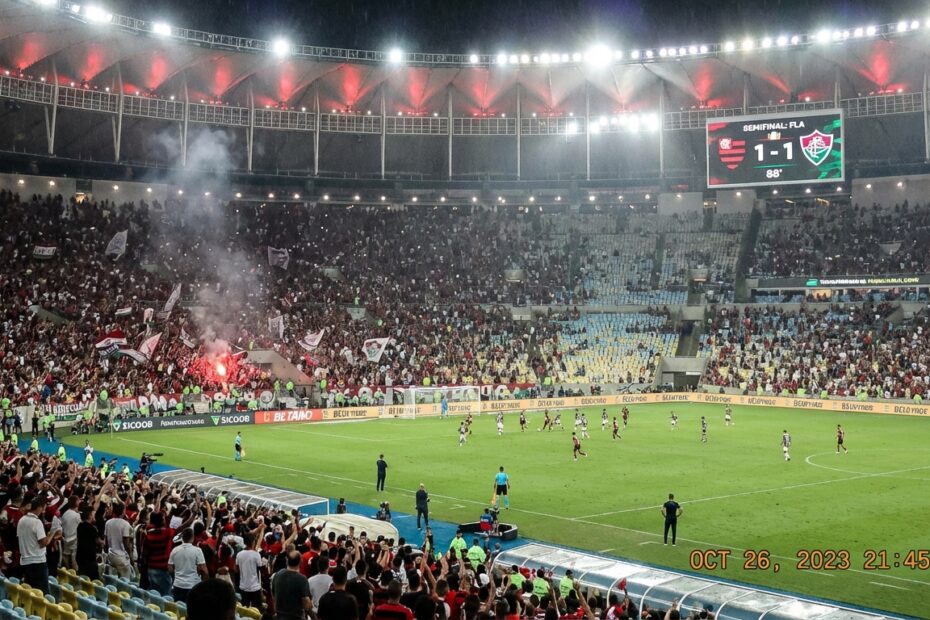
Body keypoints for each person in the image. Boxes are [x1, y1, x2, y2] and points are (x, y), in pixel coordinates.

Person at [18, 494, 62, 593]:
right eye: (43, 508)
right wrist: (52, 532)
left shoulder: (22, 520)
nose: (44, 510)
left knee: (30, 591)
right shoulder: (36, 522)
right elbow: (43, 543)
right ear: (39, 507)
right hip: (37, 562)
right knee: (42, 593)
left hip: (25, 561)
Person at [168, 527, 208, 603]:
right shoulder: (197, 550)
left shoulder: (175, 550)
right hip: (192, 585)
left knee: (179, 609)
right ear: (192, 538)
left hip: (178, 584)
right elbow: (203, 569)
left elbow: (170, 568)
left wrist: (175, 577)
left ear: (182, 537)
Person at [272, 550, 312, 620]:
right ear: (300, 562)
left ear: (287, 561)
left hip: (280, 616)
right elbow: (306, 604)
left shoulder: (278, 574)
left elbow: (274, 595)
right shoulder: (302, 579)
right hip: (296, 617)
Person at [104, 502, 134, 579]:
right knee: (125, 581)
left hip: (111, 555)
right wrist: (131, 556)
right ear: (123, 511)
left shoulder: (108, 522)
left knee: (112, 580)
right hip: (121, 557)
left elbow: (106, 541)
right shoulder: (125, 524)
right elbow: (126, 543)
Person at [235, 533, 264, 609]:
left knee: (245, 609)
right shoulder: (256, 555)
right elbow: (260, 568)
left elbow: (237, 569)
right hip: (255, 587)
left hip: (243, 586)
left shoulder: (239, 555)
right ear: (253, 542)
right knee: (257, 610)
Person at [76, 506, 101, 579]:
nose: (94, 516)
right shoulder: (92, 528)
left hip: (80, 555)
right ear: (89, 515)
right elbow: (98, 541)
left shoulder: (80, 526)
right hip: (89, 558)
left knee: (83, 578)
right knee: (93, 579)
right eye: (93, 514)